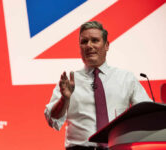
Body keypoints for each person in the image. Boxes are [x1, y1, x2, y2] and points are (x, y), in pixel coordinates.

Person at [44, 21, 152, 150]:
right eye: (84, 42)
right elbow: (53, 120)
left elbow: (147, 115)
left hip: (117, 147)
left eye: (95, 40)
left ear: (106, 45)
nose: (89, 46)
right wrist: (64, 99)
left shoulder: (126, 78)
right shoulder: (68, 81)